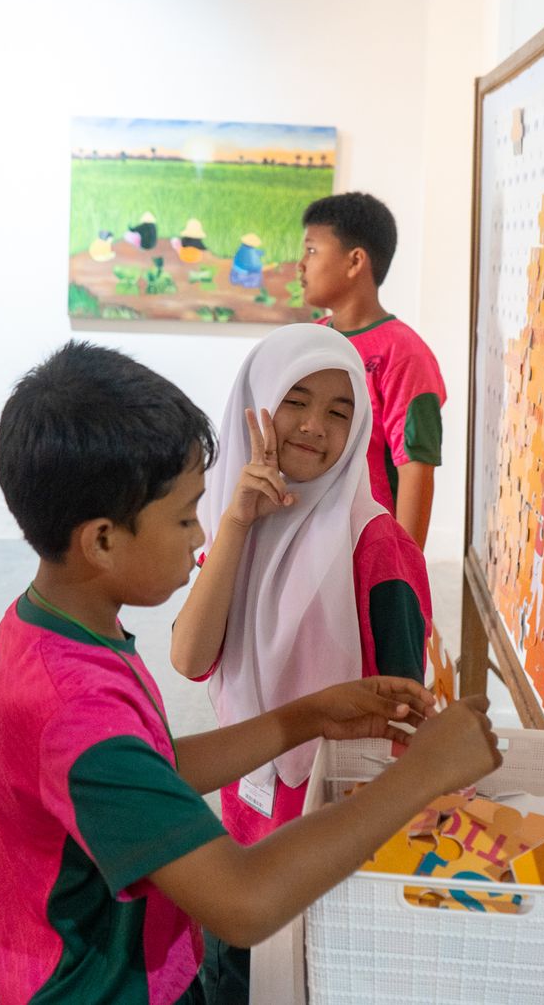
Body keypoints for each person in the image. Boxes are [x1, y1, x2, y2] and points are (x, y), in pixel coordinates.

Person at [0, 341, 500, 1005]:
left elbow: (152, 766)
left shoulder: (48, 632)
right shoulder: (79, 708)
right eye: (184, 517)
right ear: (103, 540)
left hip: (120, 961)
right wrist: (426, 773)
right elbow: (245, 903)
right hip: (106, 986)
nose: (200, 535)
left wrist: (306, 716)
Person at [168, 323, 435, 1001]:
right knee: (237, 981)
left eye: (340, 412)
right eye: (296, 400)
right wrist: (238, 524)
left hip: (332, 839)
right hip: (244, 822)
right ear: (256, 403)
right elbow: (191, 658)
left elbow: (406, 714)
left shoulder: (378, 547)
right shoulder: (236, 525)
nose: (315, 426)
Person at [299, 192, 447, 549]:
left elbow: (415, 468)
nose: (300, 264)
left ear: (355, 261)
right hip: (309, 543)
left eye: (312, 250)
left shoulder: (404, 353)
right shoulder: (309, 340)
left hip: (366, 550)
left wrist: (402, 569)